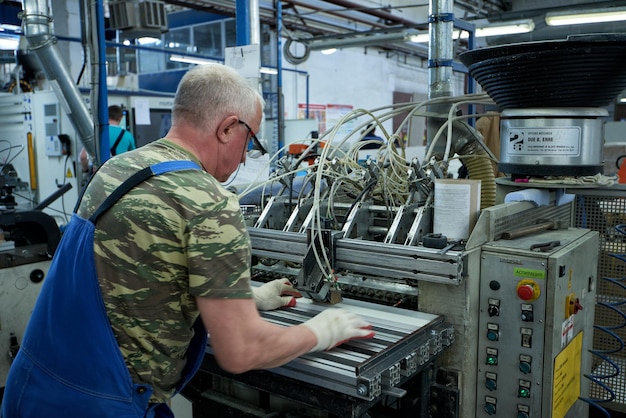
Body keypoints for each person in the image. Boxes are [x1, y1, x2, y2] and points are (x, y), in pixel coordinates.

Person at [2, 64, 375, 417]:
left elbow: (137, 269)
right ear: (228, 128)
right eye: (251, 140)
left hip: (32, 386)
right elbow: (242, 351)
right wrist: (321, 331)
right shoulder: (210, 203)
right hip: (100, 405)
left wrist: (248, 297)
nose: (246, 158)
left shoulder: (117, 169)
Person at [79, 104, 137, 173]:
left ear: (106, 116)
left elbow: (83, 156)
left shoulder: (95, 133)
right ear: (120, 118)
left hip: (100, 174)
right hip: (121, 174)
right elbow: (134, 158)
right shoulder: (128, 135)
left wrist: (85, 170)